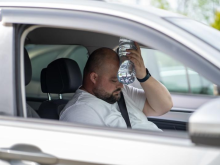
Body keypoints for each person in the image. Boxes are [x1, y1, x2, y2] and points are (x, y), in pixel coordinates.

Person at [60, 42, 173, 132]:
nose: (121, 85)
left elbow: (164, 106)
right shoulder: (80, 111)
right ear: (94, 78)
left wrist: (143, 76)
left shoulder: (121, 92)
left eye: (121, 78)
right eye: (114, 80)